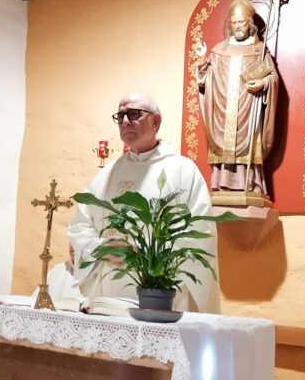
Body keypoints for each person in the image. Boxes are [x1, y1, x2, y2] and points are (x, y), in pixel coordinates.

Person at [68, 92, 220, 314]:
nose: (125, 121)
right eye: (120, 116)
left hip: (158, 297)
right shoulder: (108, 173)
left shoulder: (182, 171)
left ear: (155, 121)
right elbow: (80, 225)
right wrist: (100, 249)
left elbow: (200, 234)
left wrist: (145, 256)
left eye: (133, 114)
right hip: (105, 297)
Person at [196, 0, 278, 203]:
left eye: (241, 22)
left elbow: (272, 78)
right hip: (223, 111)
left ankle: (250, 184)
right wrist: (201, 63)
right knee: (224, 142)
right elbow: (205, 82)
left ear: (250, 24)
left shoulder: (259, 51)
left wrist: (264, 84)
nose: (238, 26)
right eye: (234, 23)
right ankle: (221, 183)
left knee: (249, 142)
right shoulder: (218, 51)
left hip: (249, 111)